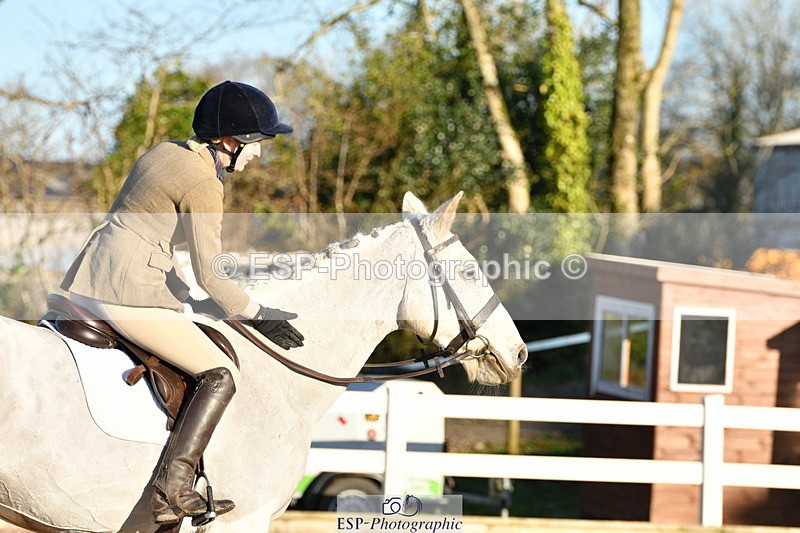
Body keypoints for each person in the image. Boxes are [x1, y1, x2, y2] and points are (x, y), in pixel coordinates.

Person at [60, 80, 304, 524]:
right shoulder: (204, 182)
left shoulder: (165, 152)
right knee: (221, 373)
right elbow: (212, 271)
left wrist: (189, 298)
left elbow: (145, 235)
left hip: (89, 276)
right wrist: (257, 314)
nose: (258, 155)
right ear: (229, 141)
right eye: (256, 144)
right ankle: (173, 487)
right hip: (125, 294)